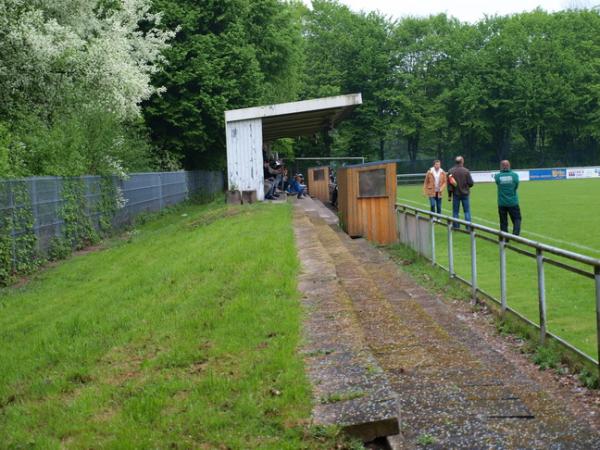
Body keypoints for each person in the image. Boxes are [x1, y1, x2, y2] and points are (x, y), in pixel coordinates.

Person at [494, 160, 521, 235]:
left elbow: (497, 183)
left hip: (502, 202)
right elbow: (516, 186)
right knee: (517, 219)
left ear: (501, 167)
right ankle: (515, 235)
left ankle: (505, 237)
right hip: (513, 202)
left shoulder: (497, 176)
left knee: (503, 221)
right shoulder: (514, 175)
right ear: (509, 166)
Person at [447, 156, 474, 229]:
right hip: (465, 194)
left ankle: (456, 227)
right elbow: (471, 183)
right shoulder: (466, 171)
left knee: (455, 212)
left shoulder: (450, 171)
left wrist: (449, 196)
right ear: (462, 161)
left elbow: (449, 186)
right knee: (467, 211)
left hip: (455, 194)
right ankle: (468, 227)